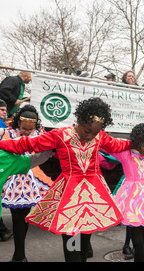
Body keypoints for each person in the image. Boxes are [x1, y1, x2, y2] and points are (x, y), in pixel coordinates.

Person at [0, 97, 131, 262]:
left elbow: (117, 145)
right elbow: (27, 144)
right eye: (87, 131)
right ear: (79, 121)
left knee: (84, 244)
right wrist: (2, 145)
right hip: (69, 196)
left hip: (93, 197)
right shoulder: (60, 135)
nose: (90, 137)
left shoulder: (100, 136)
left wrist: (137, 143)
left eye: (95, 133)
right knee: (71, 242)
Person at [102, 123, 144, 262]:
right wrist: (129, 144)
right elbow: (106, 147)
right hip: (131, 200)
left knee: (141, 244)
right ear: (137, 141)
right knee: (138, 244)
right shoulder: (125, 154)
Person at [0, 105, 53, 262]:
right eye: (23, 128)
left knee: (25, 218)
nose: (27, 132)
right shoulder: (7, 133)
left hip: (31, 179)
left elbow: (46, 151)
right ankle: (19, 255)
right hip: (12, 176)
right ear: (18, 123)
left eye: (30, 129)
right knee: (17, 219)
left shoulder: (40, 134)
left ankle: (19, 255)